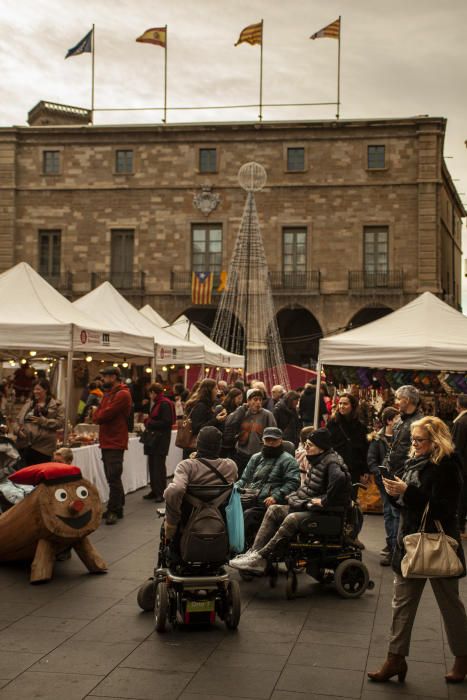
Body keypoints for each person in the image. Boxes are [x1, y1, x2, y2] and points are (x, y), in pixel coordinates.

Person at [368, 416, 467, 685]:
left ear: (436, 440)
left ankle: (462, 657)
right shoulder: (413, 461)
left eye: (419, 440)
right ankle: (395, 658)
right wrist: (394, 492)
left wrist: (407, 491)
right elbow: (407, 504)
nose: (414, 444)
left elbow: (445, 508)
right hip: (409, 541)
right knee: (401, 605)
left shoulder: (448, 465)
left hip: (438, 544)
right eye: (413, 439)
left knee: (450, 606)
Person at [229, 427, 351, 574]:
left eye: (310, 445)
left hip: (324, 512)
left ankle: (262, 557)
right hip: (308, 506)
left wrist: (324, 501)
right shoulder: (319, 459)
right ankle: (254, 554)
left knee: (291, 518)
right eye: (306, 444)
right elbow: (307, 488)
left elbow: (340, 478)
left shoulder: (331, 462)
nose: (306, 448)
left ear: (321, 447)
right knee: (274, 510)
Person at [163, 426, 237, 542]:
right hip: (221, 520)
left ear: (198, 445)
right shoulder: (230, 466)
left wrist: (172, 521)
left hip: (188, 520)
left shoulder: (186, 466)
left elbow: (175, 490)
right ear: (219, 446)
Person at [236, 426, 300, 544]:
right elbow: (244, 479)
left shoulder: (288, 460)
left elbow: (293, 482)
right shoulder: (256, 457)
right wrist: (234, 488)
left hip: (266, 504)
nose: (270, 443)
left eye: (274, 440)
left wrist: (276, 496)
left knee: (248, 516)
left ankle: (241, 549)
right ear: (263, 440)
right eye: (268, 440)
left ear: (280, 440)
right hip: (249, 499)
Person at [93, 366, 132, 525]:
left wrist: (97, 414)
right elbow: (99, 414)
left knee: (113, 477)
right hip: (108, 440)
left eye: (106, 377)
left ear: (114, 377)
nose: (103, 380)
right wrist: (98, 414)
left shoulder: (122, 394)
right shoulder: (109, 394)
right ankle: (118, 507)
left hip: (115, 440)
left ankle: (113, 510)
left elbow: (103, 415)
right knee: (112, 476)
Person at [367, 406, 399, 565]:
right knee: (389, 512)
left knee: (395, 513)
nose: (399, 421)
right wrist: (381, 474)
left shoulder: (402, 436)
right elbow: (372, 459)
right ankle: (392, 545)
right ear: (389, 420)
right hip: (384, 481)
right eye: (397, 418)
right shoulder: (378, 439)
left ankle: (394, 545)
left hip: (398, 480)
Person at [224, 388, 277, 477]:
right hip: (241, 454)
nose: (258, 402)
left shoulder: (267, 415)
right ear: (248, 400)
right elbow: (229, 422)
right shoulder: (242, 412)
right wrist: (241, 410)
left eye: (260, 400)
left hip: (259, 456)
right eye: (255, 399)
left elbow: (274, 433)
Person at [15, 380, 65, 465]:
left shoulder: (57, 405)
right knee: (24, 474)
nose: (35, 392)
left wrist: (43, 421)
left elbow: (60, 423)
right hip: (24, 445)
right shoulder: (29, 404)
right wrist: (18, 431)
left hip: (43, 448)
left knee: (39, 474)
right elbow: (17, 422)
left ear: (46, 390)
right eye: (34, 389)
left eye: (38, 389)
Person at [327, 393, 369, 487]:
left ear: (352, 406)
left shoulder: (360, 426)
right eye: (340, 403)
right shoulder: (332, 423)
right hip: (336, 466)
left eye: (345, 404)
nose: (342, 406)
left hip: (354, 468)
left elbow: (364, 450)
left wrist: (365, 470)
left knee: (352, 496)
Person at [142, 383, 175, 502]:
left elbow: (167, 422)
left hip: (160, 440)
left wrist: (149, 422)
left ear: (153, 393)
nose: (149, 396)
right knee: (152, 465)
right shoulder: (160, 402)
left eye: (150, 393)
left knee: (158, 466)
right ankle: (154, 489)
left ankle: (161, 492)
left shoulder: (164, 403)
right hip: (155, 439)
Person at [183, 379, 227, 459]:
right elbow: (198, 428)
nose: (218, 391)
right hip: (196, 449)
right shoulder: (201, 406)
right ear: (209, 390)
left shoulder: (206, 404)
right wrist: (216, 420)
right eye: (216, 389)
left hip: (201, 448)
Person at [451, 394, 467, 539]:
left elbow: (456, 447)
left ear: (459, 405)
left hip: (463, 467)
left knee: (461, 497)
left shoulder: (461, 422)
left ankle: (460, 526)